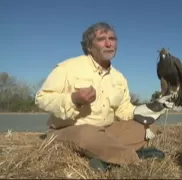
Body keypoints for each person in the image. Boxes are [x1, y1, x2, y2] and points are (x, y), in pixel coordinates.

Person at [35, 22, 174, 171]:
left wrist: (152, 107)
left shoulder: (119, 77)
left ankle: (106, 159)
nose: (108, 43)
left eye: (112, 39)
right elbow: (42, 98)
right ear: (89, 46)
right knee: (87, 135)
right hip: (69, 130)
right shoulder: (68, 67)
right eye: (102, 39)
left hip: (106, 131)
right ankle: (134, 157)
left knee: (148, 125)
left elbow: (125, 111)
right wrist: (73, 99)